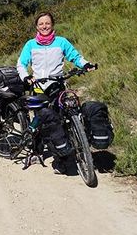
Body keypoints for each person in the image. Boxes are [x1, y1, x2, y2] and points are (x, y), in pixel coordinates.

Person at [16, 11, 96, 174]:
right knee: (43, 121)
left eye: (47, 23)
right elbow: (21, 64)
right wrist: (26, 77)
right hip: (38, 87)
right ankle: (36, 150)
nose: (44, 26)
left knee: (58, 123)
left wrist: (86, 64)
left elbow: (75, 57)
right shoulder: (31, 45)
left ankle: (61, 159)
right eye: (41, 24)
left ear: (52, 25)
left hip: (57, 87)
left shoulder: (61, 42)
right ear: (37, 27)